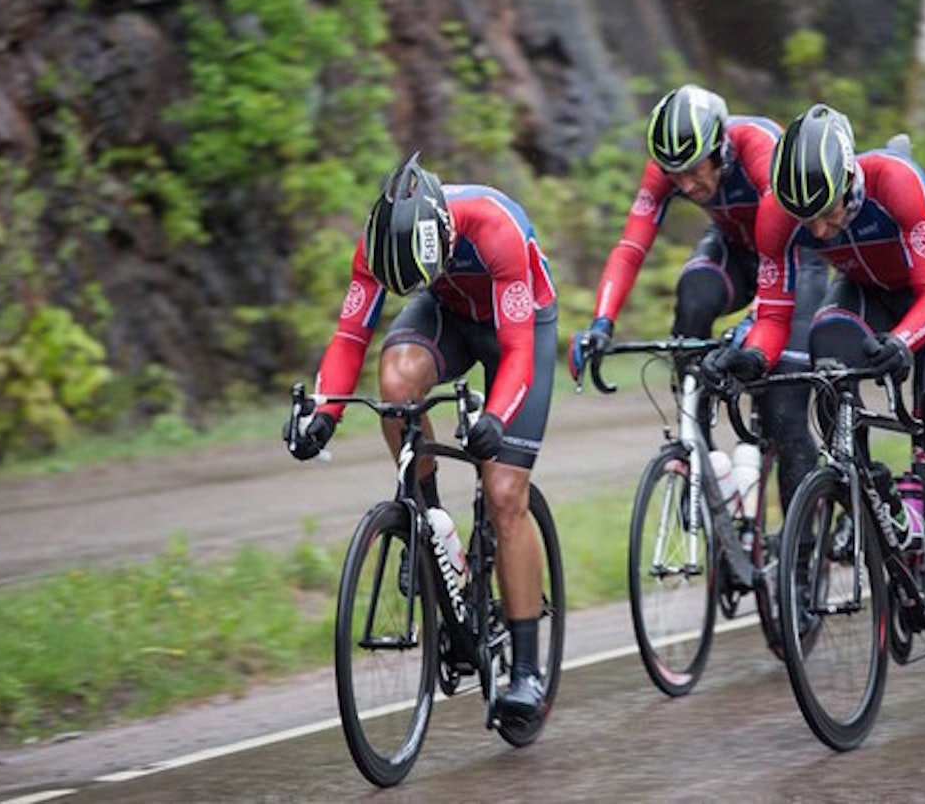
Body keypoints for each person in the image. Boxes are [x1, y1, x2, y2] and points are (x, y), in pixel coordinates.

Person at [705, 103, 925, 677]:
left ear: (849, 181)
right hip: (863, 293)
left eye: (827, 214)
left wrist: (901, 342)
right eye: (808, 221)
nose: (819, 230)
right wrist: (752, 358)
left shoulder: (895, 184)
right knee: (824, 358)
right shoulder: (779, 213)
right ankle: (869, 491)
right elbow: (774, 315)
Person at [285, 153, 558, 721]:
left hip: (521, 327)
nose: (404, 286)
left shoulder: (494, 229)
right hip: (450, 312)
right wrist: (324, 415)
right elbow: (348, 337)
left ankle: (528, 672)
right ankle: (430, 522)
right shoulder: (378, 244)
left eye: (415, 277)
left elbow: (518, 354)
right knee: (395, 382)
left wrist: (496, 419)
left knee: (506, 494)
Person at [568, 84, 827, 523]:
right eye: (675, 175)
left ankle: (800, 570)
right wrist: (601, 323)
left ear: (720, 147)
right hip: (735, 251)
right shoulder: (667, 171)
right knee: (693, 297)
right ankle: (702, 462)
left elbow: (775, 260)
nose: (687, 185)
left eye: (694, 170)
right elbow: (631, 246)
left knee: (783, 404)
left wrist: (755, 320)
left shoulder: (758, 147)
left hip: (793, 262)